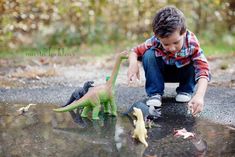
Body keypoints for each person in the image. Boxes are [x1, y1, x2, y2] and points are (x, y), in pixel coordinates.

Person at [126, 6, 210, 116]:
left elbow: (203, 69)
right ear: (158, 37)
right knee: (148, 54)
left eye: (176, 43)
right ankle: (155, 93)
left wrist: (199, 95)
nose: (172, 48)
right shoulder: (155, 41)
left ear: (183, 33)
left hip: (182, 74)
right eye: (166, 44)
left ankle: (185, 90)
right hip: (161, 74)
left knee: (194, 61)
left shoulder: (192, 44)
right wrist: (133, 64)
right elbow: (134, 51)